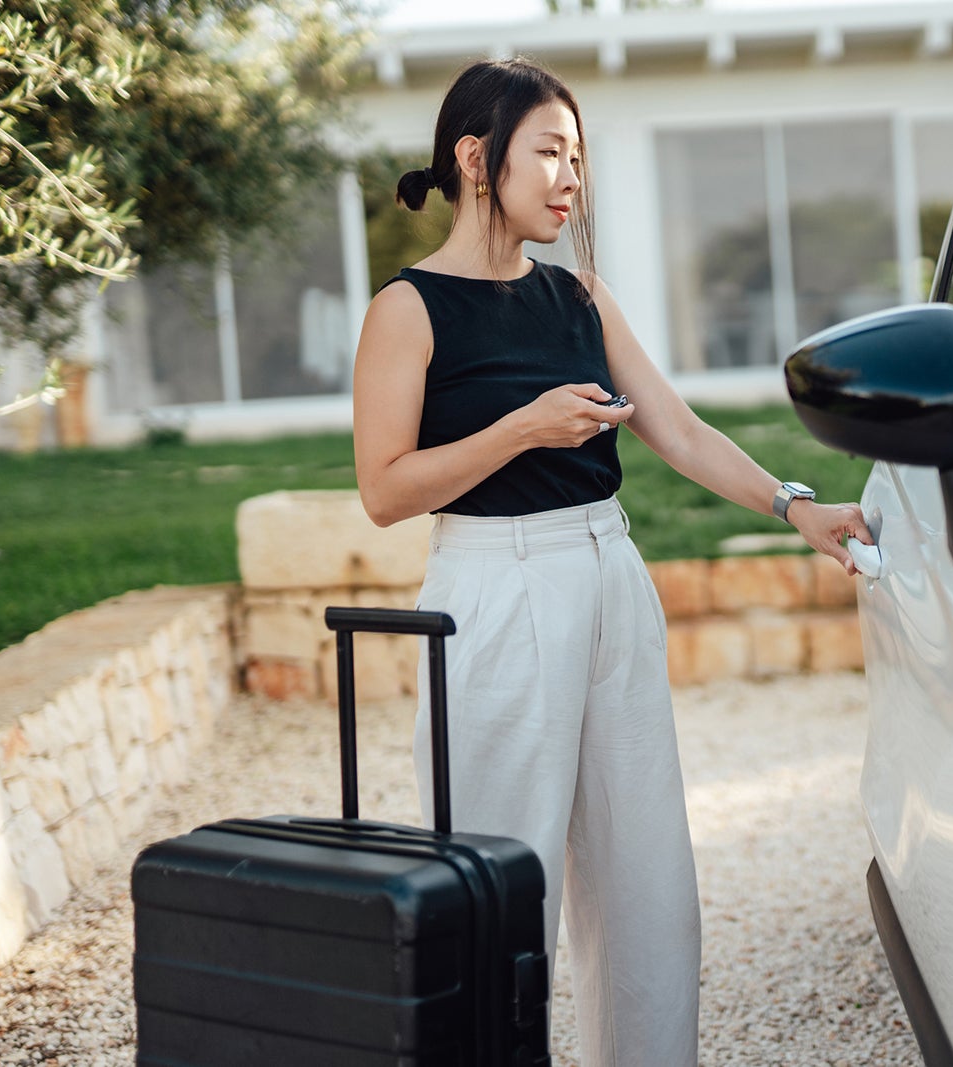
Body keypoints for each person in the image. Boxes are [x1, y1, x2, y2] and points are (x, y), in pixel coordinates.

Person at [350, 57, 871, 1067]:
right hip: (494, 590)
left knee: (646, 882)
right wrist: (523, 428)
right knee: (501, 879)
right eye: (548, 152)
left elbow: (676, 429)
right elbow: (384, 489)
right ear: (473, 159)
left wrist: (793, 505)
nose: (569, 178)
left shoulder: (579, 296)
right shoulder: (406, 310)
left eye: (576, 157)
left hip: (608, 571)